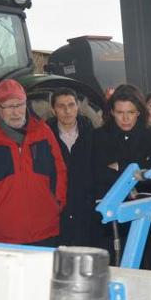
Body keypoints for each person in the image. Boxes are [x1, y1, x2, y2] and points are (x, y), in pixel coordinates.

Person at [0, 79, 67, 246]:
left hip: (45, 231)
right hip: (2, 237)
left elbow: (60, 170)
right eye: (9, 106)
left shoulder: (42, 131)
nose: (16, 112)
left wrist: (56, 203)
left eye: (20, 105)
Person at [92, 84, 151, 268]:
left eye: (130, 112)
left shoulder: (149, 136)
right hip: (108, 221)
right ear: (112, 112)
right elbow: (97, 175)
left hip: (143, 218)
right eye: (120, 112)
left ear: (139, 112)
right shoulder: (98, 137)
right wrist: (134, 171)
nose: (125, 118)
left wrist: (119, 167)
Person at [47, 87, 95, 246]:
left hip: (86, 208)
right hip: (57, 209)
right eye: (61, 106)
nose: (67, 110)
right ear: (53, 110)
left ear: (78, 107)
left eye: (71, 105)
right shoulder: (44, 137)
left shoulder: (92, 134)